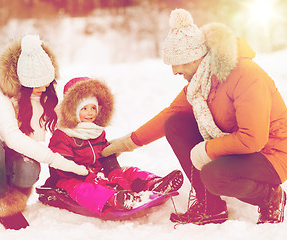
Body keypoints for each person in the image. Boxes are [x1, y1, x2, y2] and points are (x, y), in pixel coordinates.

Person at [101, 9, 287, 225]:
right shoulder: (200, 84)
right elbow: (170, 115)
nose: (175, 71)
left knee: (215, 176)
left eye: (178, 63)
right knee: (175, 124)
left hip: (271, 153)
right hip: (239, 148)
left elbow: (253, 139)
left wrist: (207, 150)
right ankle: (209, 206)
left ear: (195, 58)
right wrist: (123, 144)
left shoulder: (246, 74)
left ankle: (270, 197)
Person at [0, 35, 88, 230]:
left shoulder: (45, 97)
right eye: (37, 83)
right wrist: (61, 163)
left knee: (30, 170)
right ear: (24, 82)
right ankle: (3, 202)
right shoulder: (1, 91)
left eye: (46, 82)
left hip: (15, 157)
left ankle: (16, 195)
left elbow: (69, 123)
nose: (43, 87)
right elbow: (12, 137)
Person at [44, 77, 183, 214]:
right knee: (85, 189)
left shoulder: (96, 131)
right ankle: (114, 199)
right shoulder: (62, 134)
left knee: (129, 171)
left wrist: (118, 179)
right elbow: (64, 167)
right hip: (71, 178)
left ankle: (154, 183)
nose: (90, 113)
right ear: (72, 111)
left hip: (96, 172)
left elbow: (106, 157)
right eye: (84, 108)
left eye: (93, 107)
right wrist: (93, 178)